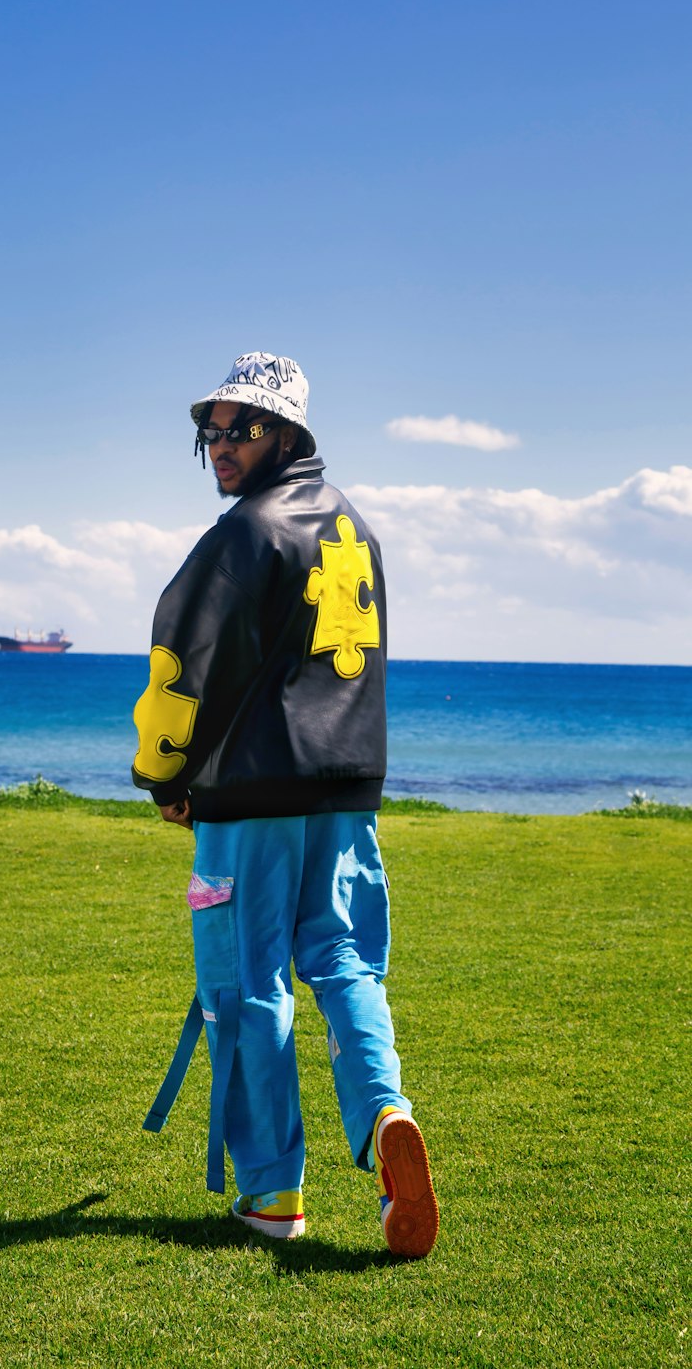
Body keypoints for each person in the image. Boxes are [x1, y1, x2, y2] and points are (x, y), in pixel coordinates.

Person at [132, 351, 438, 1258]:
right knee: (346, 964)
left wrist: (167, 778)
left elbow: (181, 665)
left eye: (243, 428)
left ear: (288, 434)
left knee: (248, 984)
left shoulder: (244, 534)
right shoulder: (358, 531)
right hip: (349, 795)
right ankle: (386, 1118)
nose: (222, 446)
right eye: (212, 432)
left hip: (251, 800)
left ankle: (272, 1192)